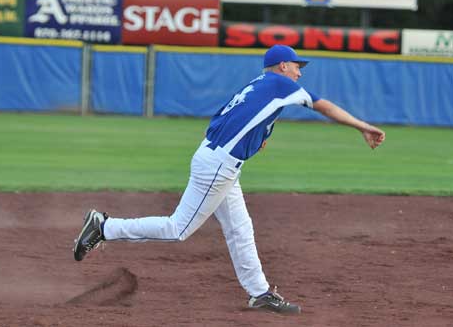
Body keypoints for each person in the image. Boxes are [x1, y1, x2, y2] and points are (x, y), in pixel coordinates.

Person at [72, 45, 385, 314]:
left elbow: (223, 119)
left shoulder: (257, 86)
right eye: (297, 67)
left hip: (218, 160)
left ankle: (260, 293)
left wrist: (254, 138)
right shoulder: (280, 83)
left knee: (240, 228)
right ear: (282, 66)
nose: (300, 73)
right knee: (178, 228)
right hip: (218, 166)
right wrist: (362, 127)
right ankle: (104, 227)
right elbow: (323, 105)